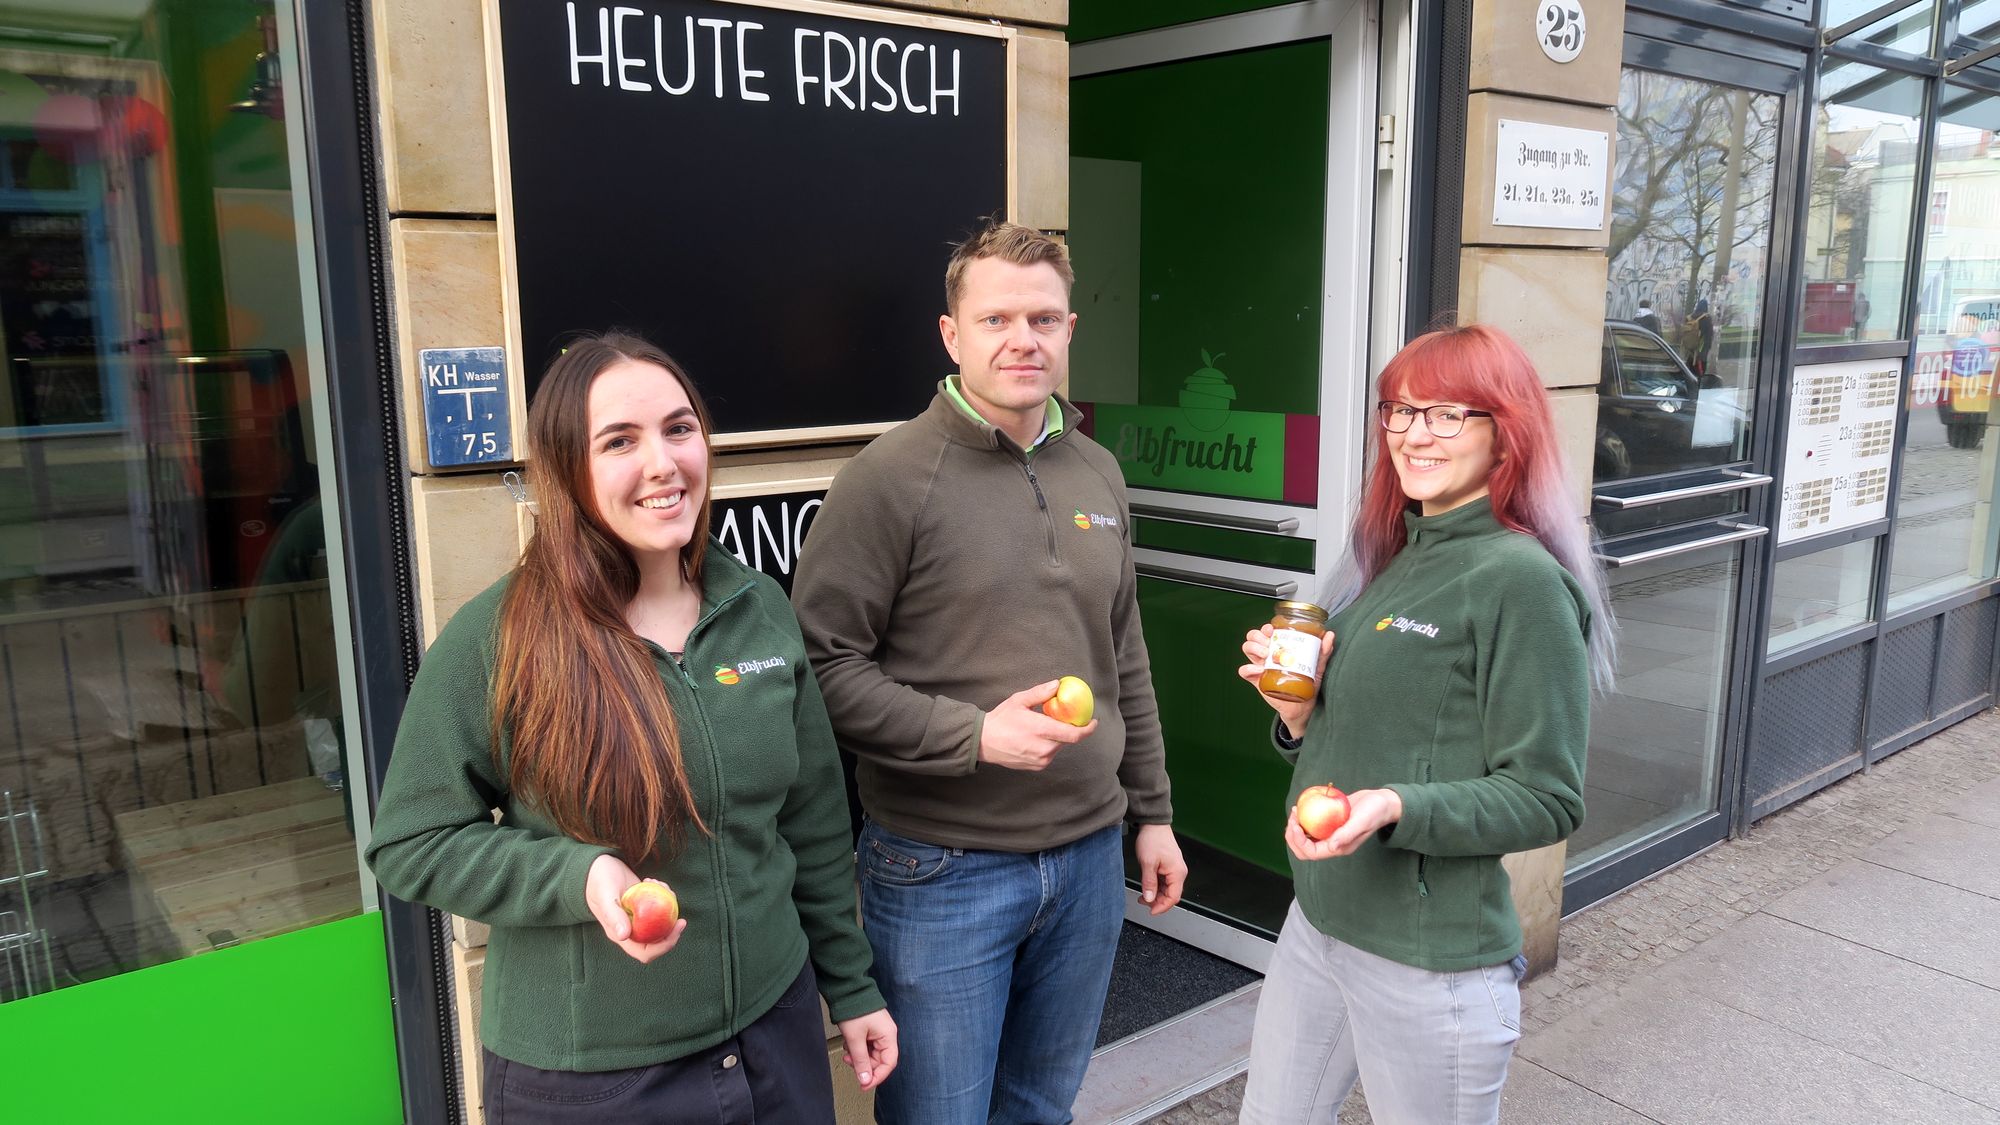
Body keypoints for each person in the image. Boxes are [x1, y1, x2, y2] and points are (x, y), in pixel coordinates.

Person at [365, 333, 896, 1123]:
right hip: (596, 1080)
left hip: (774, 1033)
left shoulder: (758, 608)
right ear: (566, 469)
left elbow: (813, 822)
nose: (663, 463)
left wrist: (850, 985)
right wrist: (579, 877)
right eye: (619, 441)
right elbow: (411, 842)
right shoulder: (499, 639)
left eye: (680, 429)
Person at [792, 220, 1187, 1125]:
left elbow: (1122, 651)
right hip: (941, 870)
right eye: (998, 317)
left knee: (1042, 1109)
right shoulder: (886, 479)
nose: (1023, 339)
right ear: (951, 334)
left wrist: (1154, 814)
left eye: (1043, 319)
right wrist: (973, 735)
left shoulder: (1099, 471)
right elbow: (821, 668)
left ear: (1071, 330)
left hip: (1089, 862)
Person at [1233, 324, 1614, 1125]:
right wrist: (1297, 716)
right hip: (1321, 923)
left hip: (1427, 960)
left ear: (1503, 431)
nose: (1413, 433)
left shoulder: (1521, 581)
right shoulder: (1397, 548)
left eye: (1446, 414)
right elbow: (1374, 730)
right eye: (1399, 411)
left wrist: (1395, 807)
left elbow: (1547, 796)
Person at [1685, 297, 1715, 379]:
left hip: (1689, 348)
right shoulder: (1707, 318)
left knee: (1689, 370)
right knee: (1700, 371)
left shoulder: (1689, 317)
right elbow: (1709, 335)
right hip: (1701, 348)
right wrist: (1707, 348)